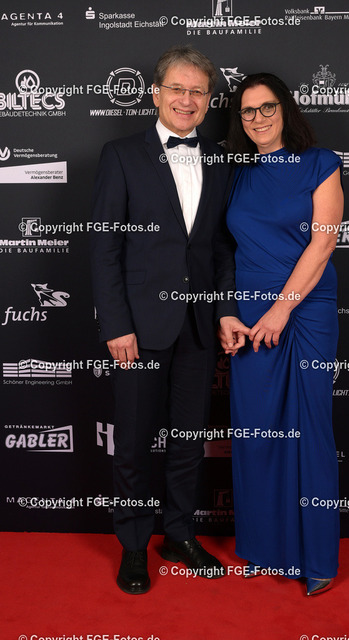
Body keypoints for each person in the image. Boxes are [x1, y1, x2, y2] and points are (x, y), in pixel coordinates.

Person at [91, 45, 246, 594]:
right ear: (156, 93)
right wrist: (115, 323)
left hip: (199, 326)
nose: (186, 100)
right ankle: (134, 545)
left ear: (208, 100)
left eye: (197, 91)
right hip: (139, 325)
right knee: (134, 442)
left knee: (187, 440)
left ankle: (179, 533)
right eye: (177, 89)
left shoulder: (220, 160)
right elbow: (105, 247)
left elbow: (221, 248)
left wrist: (226, 309)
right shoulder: (121, 154)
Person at [218, 73, 344, 596]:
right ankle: (266, 547)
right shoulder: (235, 173)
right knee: (257, 430)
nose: (258, 118)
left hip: (304, 310)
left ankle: (317, 557)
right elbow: (222, 251)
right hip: (250, 315)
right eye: (248, 111)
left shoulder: (321, 163)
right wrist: (228, 312)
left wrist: (281, 310)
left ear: (285, 109)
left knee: (309, 427)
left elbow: (323, 244)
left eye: (267, 107)